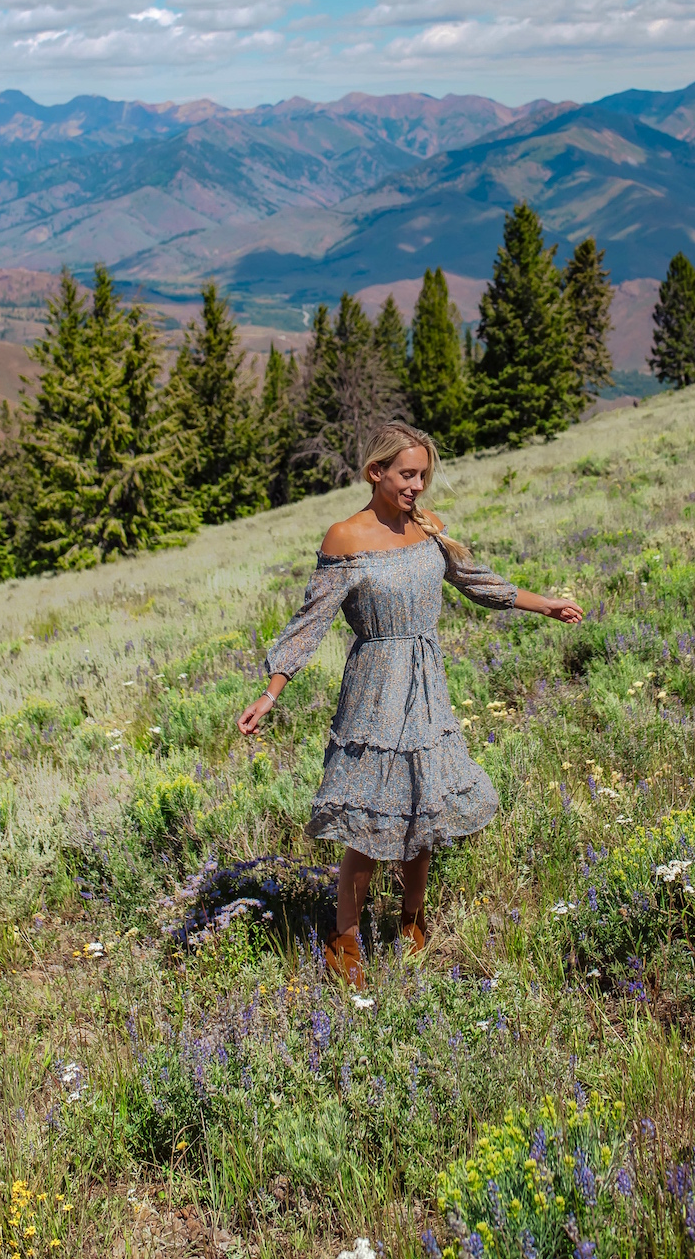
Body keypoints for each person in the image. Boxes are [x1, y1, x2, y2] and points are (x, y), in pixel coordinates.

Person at [237, 422, 583, 987]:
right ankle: (344, 939)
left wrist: (544, 605)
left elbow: (480, 584)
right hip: (374, 693)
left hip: (427, 689)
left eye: (423, 474)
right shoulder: (345, 537)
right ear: (376, 473)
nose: (417, 484)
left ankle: (411, 926)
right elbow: (309, 623)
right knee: (369, 823)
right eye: (406, 474)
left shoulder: (431, 530)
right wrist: (271, 692)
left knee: (423, 817)